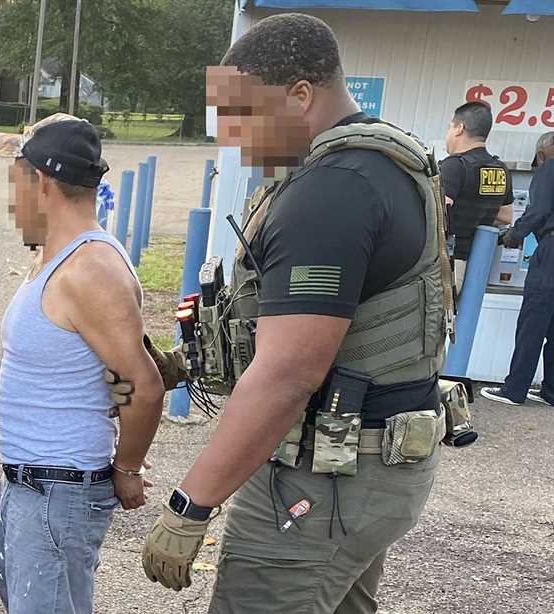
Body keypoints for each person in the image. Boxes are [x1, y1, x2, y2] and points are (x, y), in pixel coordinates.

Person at [141, 14, 451, 614]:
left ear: (300, 95)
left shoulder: (335, 188)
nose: (234, 139)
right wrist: (185, 362)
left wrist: (191, 504)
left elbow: (289, 373)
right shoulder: (374, 164)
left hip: (323, 475)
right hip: (354, 470)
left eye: (243, 116)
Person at [0, 114, 164, 614]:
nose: (11, 196)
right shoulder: (56, 256)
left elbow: (141, 384)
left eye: (15, 180)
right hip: (32, 483)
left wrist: (126, 467)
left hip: (56, 489)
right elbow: (110, 372)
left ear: (39, 181)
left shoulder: (90, 270)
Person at [481, 131, 554, 406]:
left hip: (550, 254)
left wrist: (515, 234)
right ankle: (551, 392)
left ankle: (514, 390)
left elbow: (539, 211)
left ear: (542, 153)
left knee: (533, 321)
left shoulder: (550, 167)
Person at [441, 101, 514, 291]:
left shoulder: (454, 165)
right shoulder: (501, 169)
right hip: (477, 265)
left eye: (449, 127)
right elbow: (506, 217)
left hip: (446, 264)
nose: (447, 134)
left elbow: (440, 212)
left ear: (459, 128)